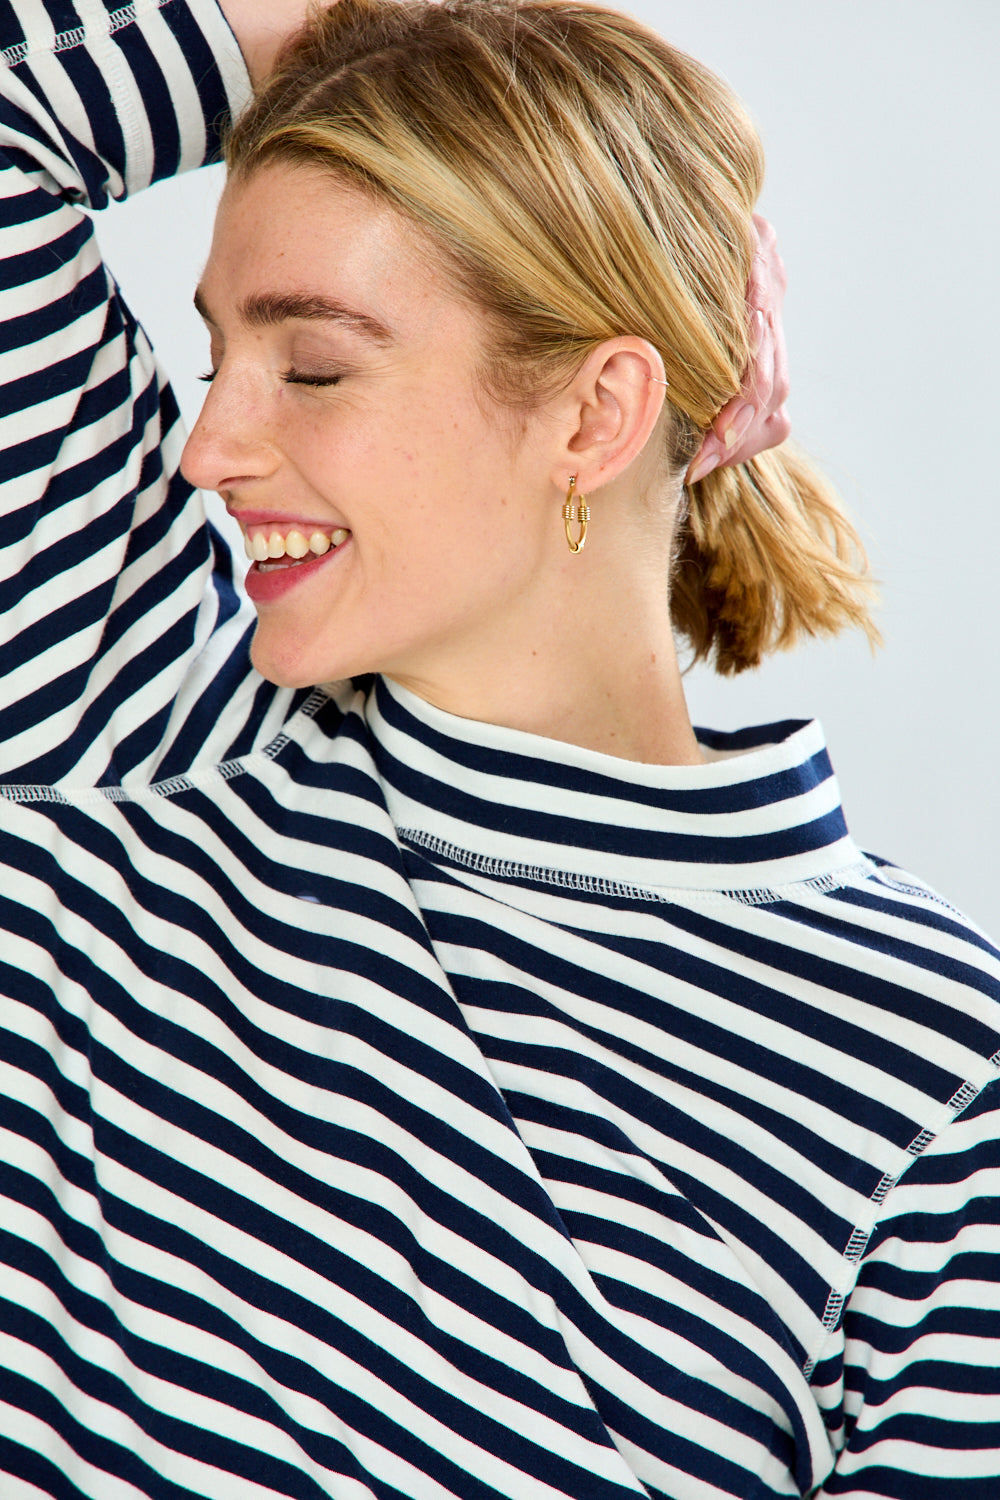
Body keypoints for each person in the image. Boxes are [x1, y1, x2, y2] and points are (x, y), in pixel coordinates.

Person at [1, 2, 997, 1498]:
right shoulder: (128, 729)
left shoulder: (941, 1088)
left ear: (599, 412)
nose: (209, 446)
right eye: (218, 357)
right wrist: (383, 35)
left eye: (314, 369)